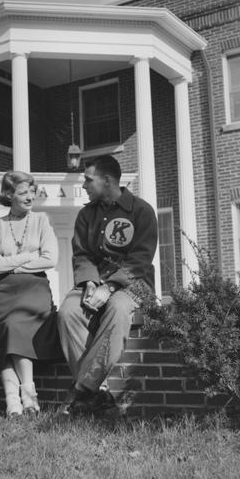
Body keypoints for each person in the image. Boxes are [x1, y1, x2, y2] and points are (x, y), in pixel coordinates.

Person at [57, 155, 158, 415]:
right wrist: (90, 282)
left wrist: (109, 287)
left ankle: (82, 390)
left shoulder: (141, 211)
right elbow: (82, 255)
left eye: (88, 180)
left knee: (117, 308)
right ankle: (98, 394)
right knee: (68, 312)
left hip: (133, 284)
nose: (84, 186)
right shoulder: (85, 215)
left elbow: (140, 260)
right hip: (95, 282)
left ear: (107, 180)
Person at [0, 170, 59, 418]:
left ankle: (25, 398)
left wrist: (12, 262)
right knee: (8, 329)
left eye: (32, 191)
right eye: (23, 192)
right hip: (4, 293)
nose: (30, 197)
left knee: (16, 326)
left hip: (35, 291)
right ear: (9, 195)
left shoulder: (41, 221)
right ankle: (17, 403)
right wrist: (28, 257)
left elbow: (50, 259)